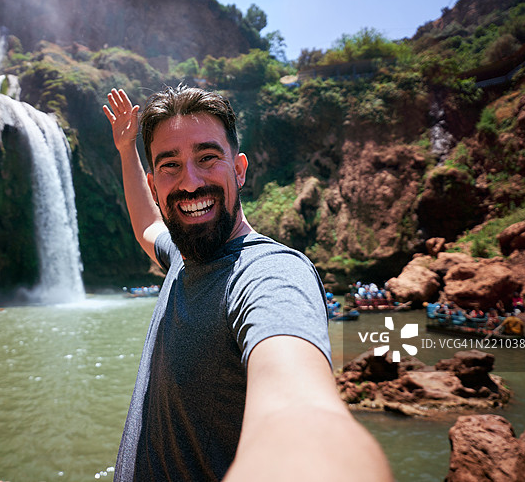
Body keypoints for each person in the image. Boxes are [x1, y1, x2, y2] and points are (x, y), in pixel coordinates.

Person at [103, 86, 392, 481]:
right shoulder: (182, 254)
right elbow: (147, 225)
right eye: (170, 165)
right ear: (155, 186)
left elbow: (300, 411)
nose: (189, 183)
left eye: (207, 158)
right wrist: (125, 149)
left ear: (239, 169)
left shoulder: (269, 273)